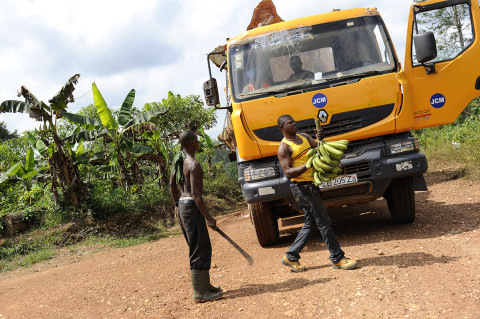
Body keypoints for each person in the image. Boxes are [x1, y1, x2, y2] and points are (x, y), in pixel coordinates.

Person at [277, 114, 358, 272]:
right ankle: (338, 258)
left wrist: (321, 139)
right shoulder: (284, 147)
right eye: (289, 123)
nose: (294, 124)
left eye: (294, 121)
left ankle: (291, 256)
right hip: (301, 188)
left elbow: (319, 149)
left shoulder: (305, 137)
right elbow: (288, 172)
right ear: (282, 128)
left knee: (311, 222)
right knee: (323, 221)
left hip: (312, 184)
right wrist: (307, 166)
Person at [169, 130, 223, 303]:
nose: (199, 143)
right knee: (199, 248)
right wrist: (209, 218)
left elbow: (171, 184)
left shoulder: (178, 161)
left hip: (184, 207)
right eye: (197, 141)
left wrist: (177, 205)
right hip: (192, 207)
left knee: (201, 246)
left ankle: (205, 285)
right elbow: (197, 195)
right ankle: (200, 292)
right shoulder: (193, 164)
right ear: (192, 143)